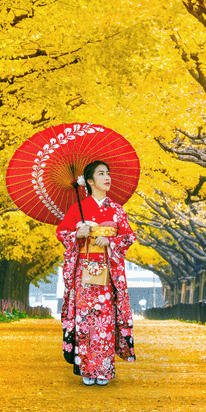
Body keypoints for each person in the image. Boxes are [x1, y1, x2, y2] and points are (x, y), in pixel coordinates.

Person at [56, 160, 136, 385]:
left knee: (105, 320)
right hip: (84, 272)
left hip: (107, 272)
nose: (107, 177)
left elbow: (129, 236)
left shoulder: (117, 210)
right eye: (101, 174)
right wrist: (77, 234)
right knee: (85, 320)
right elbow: (62, 233)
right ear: (89, 181)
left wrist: (110, 239)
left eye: (108, 173)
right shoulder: (77, 208)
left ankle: (104, 369)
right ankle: (87, 369)